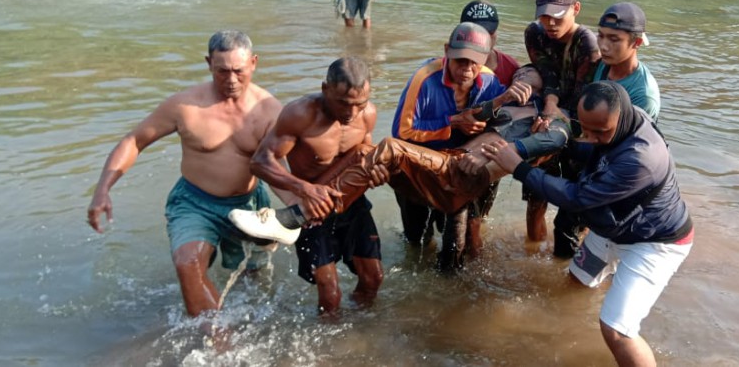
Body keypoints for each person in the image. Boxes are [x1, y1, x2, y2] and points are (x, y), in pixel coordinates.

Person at [482, 81, 693, 367]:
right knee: (577, 282)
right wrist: (556, 140)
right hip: (612, 229)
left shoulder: (641, 159)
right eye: (586, 129)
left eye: (601, 131)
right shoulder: (623, 124)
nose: (591, 137)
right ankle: (570, 339)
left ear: (622, 118)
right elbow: (586, 148)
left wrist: (518, 166)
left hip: (653, 243)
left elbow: (577, 198)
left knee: (617, 330)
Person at [230, 66, 570, 243]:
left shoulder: (553, 121)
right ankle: (302, 212)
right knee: (372, 154)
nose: (525, 82)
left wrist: (517, 147)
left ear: (546, 92)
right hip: (450, 163)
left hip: (460, 171)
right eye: (522, 75)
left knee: (389, 147)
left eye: (532, 81)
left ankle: (295, 217)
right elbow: (475, 114)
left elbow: (553, 142)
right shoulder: (508, 105)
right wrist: (504, 98)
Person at [86, 30, 292, 318]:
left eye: (239, 71)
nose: (231, 80)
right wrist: (102, 189)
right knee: (188, 263)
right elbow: (134, 141)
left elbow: (277, 167)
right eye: (222, 71)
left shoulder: (270, 110)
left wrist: (302, 207)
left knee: (252, 280)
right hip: (195, 202)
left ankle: (247, 325)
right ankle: (215, 340)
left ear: (254, 63)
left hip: (248, 205)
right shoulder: (185, 106)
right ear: (208, 63)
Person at [248, 57, 385, 316]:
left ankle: (361, 335)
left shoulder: (368, 114)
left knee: (374, 278)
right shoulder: (301, 114)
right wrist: (303, 189)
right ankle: (329, 345)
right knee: (330, 292)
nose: (352, 113)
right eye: (344, 103)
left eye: (360, 104)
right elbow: (259, 162)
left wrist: (376, 173)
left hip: (352, 202)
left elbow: (365, 154)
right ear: (325, 89)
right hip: (312, 210)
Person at [393, 22, 532, 270]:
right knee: (416, 236)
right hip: (418, 164)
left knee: (454, 244)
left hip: (458, 167)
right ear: (447, 51)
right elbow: (402, 132)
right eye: (460, 61)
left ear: (485, 60)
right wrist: (453, 123)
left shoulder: (489, 81)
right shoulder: (424, 79)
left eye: (474, 63)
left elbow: (505, 118)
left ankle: (449, 285)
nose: (467, 69)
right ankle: (414, 261)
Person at [524, 0, 601, 246]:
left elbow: (581, 96)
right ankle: (531, 255)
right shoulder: (534, 33)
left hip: (576, 125)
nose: (551, 23)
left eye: (558, 16)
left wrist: (554, 110)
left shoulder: (588, 46)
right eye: (545, 16)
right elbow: (546, 72)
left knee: (573, 212)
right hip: (548, 113)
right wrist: (550, 104)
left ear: (576, 9)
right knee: (535, 201)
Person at [592, 2, 660, 123]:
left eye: (614, 39)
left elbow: (633, 138)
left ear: (637, 43)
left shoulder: (643, 95)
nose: (603, 46)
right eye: (601, 36)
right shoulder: (603, 63)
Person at [460, 0, 522, 86]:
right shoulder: (453, 68)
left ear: (495, 32)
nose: (484, 39)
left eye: (489, 32)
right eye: (478, 34)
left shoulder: (511, 68)